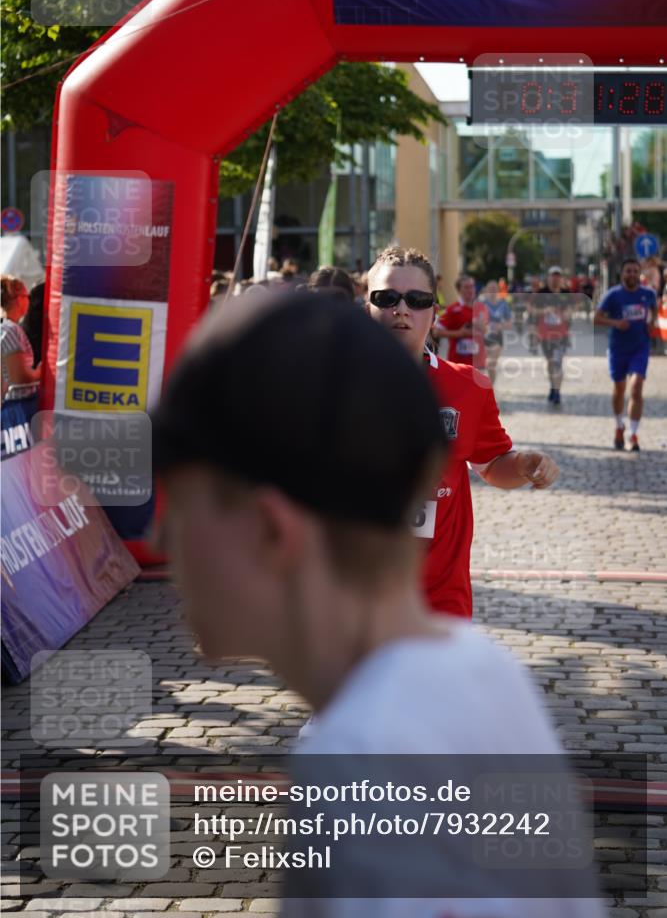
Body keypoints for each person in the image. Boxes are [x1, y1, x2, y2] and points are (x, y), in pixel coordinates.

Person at [152, 294, 600, 918]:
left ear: (270, 532)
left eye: (181, 514)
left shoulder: (357, 765)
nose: (160, 544)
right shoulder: (479, 669)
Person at [366, 248, 558, 619]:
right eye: (386, 298)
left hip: (439, 598)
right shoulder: (326, 385)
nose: (401, 309)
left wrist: (523, 465)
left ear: (433, 313)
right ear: (367, 308)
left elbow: (491, 465)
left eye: (417, 300)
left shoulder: (468, 386)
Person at [594, 257, 657, 452]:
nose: (631, 274)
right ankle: (619, 426)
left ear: (639, 273)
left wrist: (651, 322)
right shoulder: (613, 295)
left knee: (636, 387)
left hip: (640, 347)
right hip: (618, 349)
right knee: (619, 389)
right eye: (627, 271)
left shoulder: (648, 294)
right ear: (622, 274)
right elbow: (596, 319)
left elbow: (653, 311)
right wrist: (616, 323)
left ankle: (633, 433)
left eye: (634, 271)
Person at [433, 274, 488, 373]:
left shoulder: (481, 308)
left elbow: (486, 331)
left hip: (478, 363)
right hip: (458, 364)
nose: (470, 290)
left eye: (472, 286)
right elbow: (436, 331)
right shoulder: (453, 310)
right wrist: (460, 333)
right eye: (466, 287)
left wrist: (482, 327)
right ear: (459, 290)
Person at [1, 275, 42, 401]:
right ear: (19, 300)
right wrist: (41, 371)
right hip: (20, 406)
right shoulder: (10, 330)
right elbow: (20, 378)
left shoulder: (6, 328)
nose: (29, 301)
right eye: (27, 296)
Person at [537, 266, 572, 406]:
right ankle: (553, 385)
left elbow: (571, 308)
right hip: (545, 334)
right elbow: (531, 309)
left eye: (558, 276)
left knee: (558, 362)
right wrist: (544, 311)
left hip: (561, 334)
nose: (555, 278)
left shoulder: (565, 293)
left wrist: (568, 313)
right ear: (548, 277)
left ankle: (557, 391)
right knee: (551, 362)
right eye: (553, 275)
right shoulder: (541, 293)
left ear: (561, 278)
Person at [480, 280, 512, 386]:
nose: (492, 291)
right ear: (486, 290)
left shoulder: (503, 304)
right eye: (490, 288)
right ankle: (481, 388)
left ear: (498, 290)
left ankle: (490, 388)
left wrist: (501, 326)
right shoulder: (482, 303)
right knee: (482, 365)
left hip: (497, 337)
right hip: (483, 337)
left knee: (491, 364)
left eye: (494, 288)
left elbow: (510, 323)